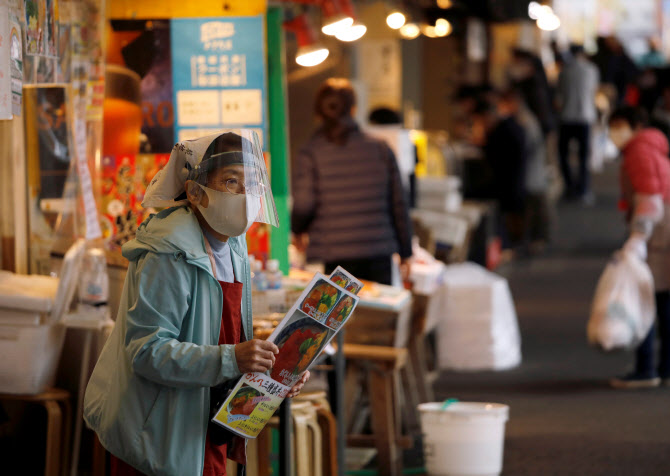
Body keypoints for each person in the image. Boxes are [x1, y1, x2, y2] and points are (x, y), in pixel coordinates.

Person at [84, 131, 310, 476]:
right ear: (195, 192)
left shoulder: (234, 246)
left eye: (252, 183)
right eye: (231, 181)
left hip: (203, 425)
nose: (245, 195)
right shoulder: (169, 251)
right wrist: (233, 358)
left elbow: (224, 332)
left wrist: (277, 368)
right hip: (159, 436)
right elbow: (146, 352)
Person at [291, 78, 413, 285]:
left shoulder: (311, 152)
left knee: (340, 316)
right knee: (377, 314)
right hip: (378, 253)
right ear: (354, 110)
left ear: (318, 113)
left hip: (334, 255)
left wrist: (298, 230)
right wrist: (406, 252)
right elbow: (399, 204)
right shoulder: (381, 148)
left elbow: (304, 204)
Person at [607, 107, 670, 389]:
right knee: (663, 300)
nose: (614, 133)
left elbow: (650, 199)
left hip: (658, 233)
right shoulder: (652, 147)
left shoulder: (639, 151)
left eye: (619, 126)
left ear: (636, 125)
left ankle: (646, 369)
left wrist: (637, 237)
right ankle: (664, 367)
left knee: (646, 299)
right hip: (663, 229)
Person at [471, 96, 527, 252]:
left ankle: (505, 247)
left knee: (505, 219)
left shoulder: (503, 131)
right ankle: (507, 246)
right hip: (513, 182)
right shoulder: (510, 127)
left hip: (507, 184)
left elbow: (495, 159)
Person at [499, 89, 552, 251]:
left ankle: (537, 239)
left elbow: (525, 147)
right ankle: (536, 239)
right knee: (535, 205)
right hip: (532, 169)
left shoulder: (524, 120)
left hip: (531, 170)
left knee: (535, 206)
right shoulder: (525, 117)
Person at [556, 44, 600, 204]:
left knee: (563, 154)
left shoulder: (564, 71)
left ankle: (569, 187)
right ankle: (583, 189)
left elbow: (559, 94)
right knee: (583, 156)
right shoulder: (591, 70)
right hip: (585, 117)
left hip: (566, 117)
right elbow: (594, 91)